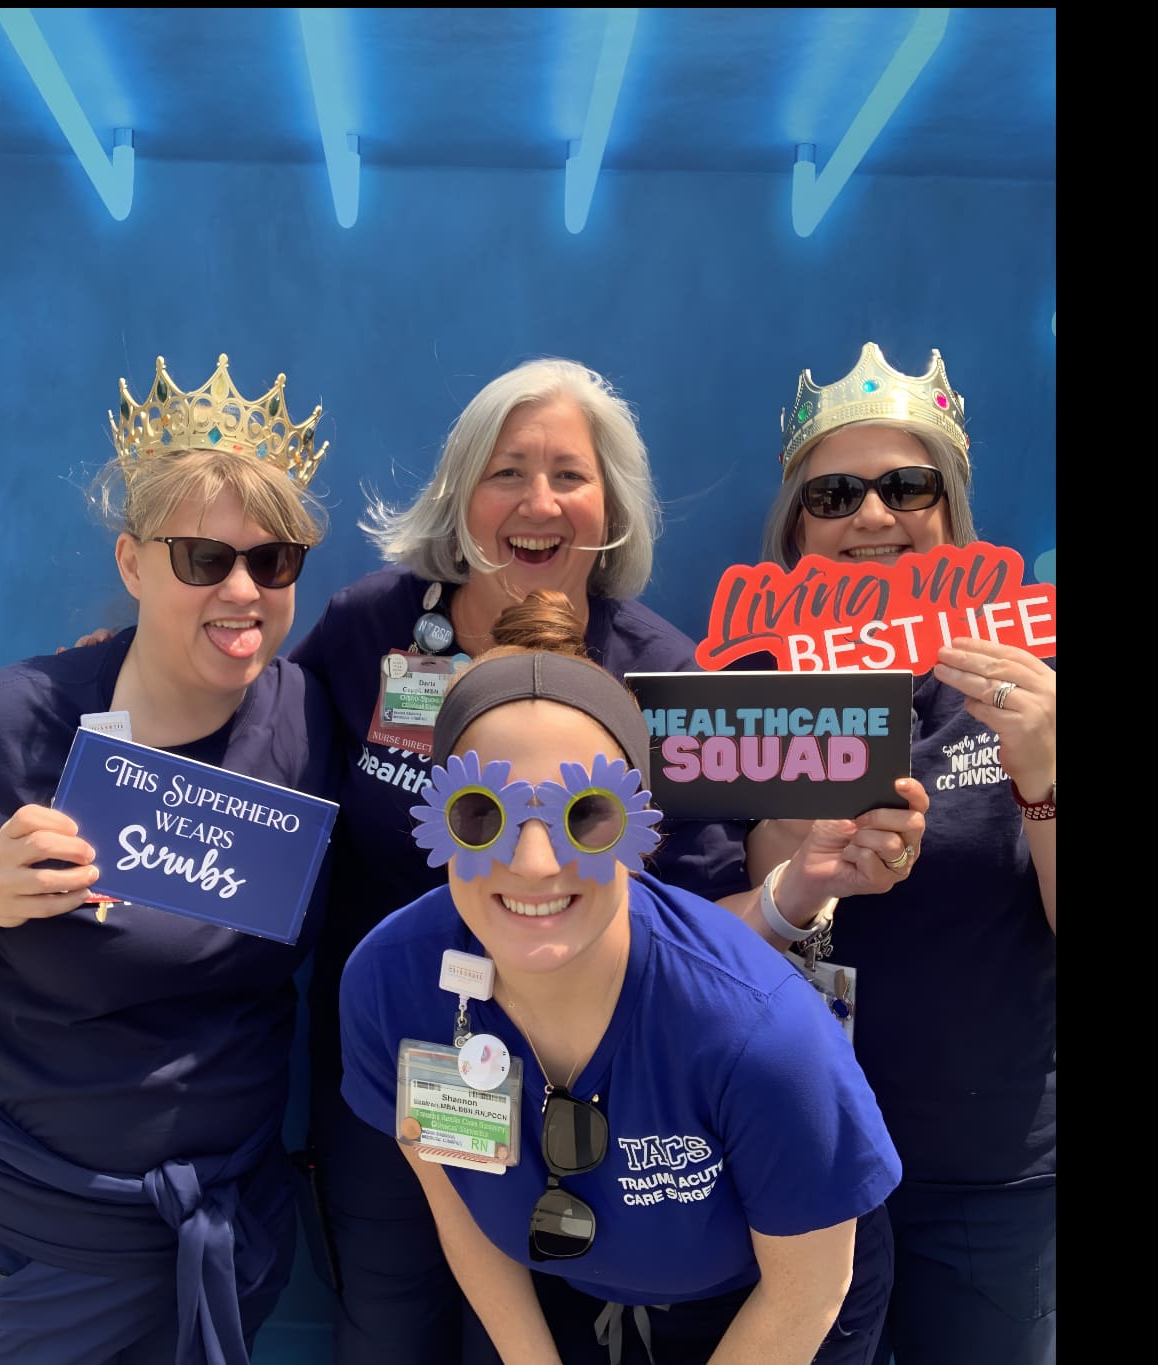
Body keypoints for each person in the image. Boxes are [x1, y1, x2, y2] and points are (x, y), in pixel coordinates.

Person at [286, 357, 927, 1365]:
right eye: (507, 471)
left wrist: (800, 886)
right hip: (418, 1045)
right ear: (461, 494)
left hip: (611, 1101)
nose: (537, 501)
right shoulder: (370, 627)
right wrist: (136, 687)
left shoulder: (670, 675)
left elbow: (702, 917)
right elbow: (271, 737)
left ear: (610, 507)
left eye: (568, 474)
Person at [0, 353, 346, 1364]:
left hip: (221, 1233)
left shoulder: (306, 720)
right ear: (132, 564)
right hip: (21, 1253)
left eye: (272, 562)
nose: (241, 590)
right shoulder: (3, 728)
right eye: (201, 559)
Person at [338, 589, 903, 1365]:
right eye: (482, 814)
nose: (534, 865)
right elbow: (459, 1200)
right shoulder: (390, 986)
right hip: (578, 1290)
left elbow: (807, 1285)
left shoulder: (761, 1034)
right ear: (436, 821)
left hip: (772, 1302)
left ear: (641, 832)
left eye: (585, 815)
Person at [749, 341, 1056, 1365]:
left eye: (905, 486)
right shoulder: (737, 687)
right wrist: (801, 858)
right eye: (834, 494)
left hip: (985, 1175)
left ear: (951, 506)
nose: (872, 519)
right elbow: (701, 937)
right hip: (789, 1165)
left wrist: (1043, 774)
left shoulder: (1033, 680)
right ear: (796, 529)